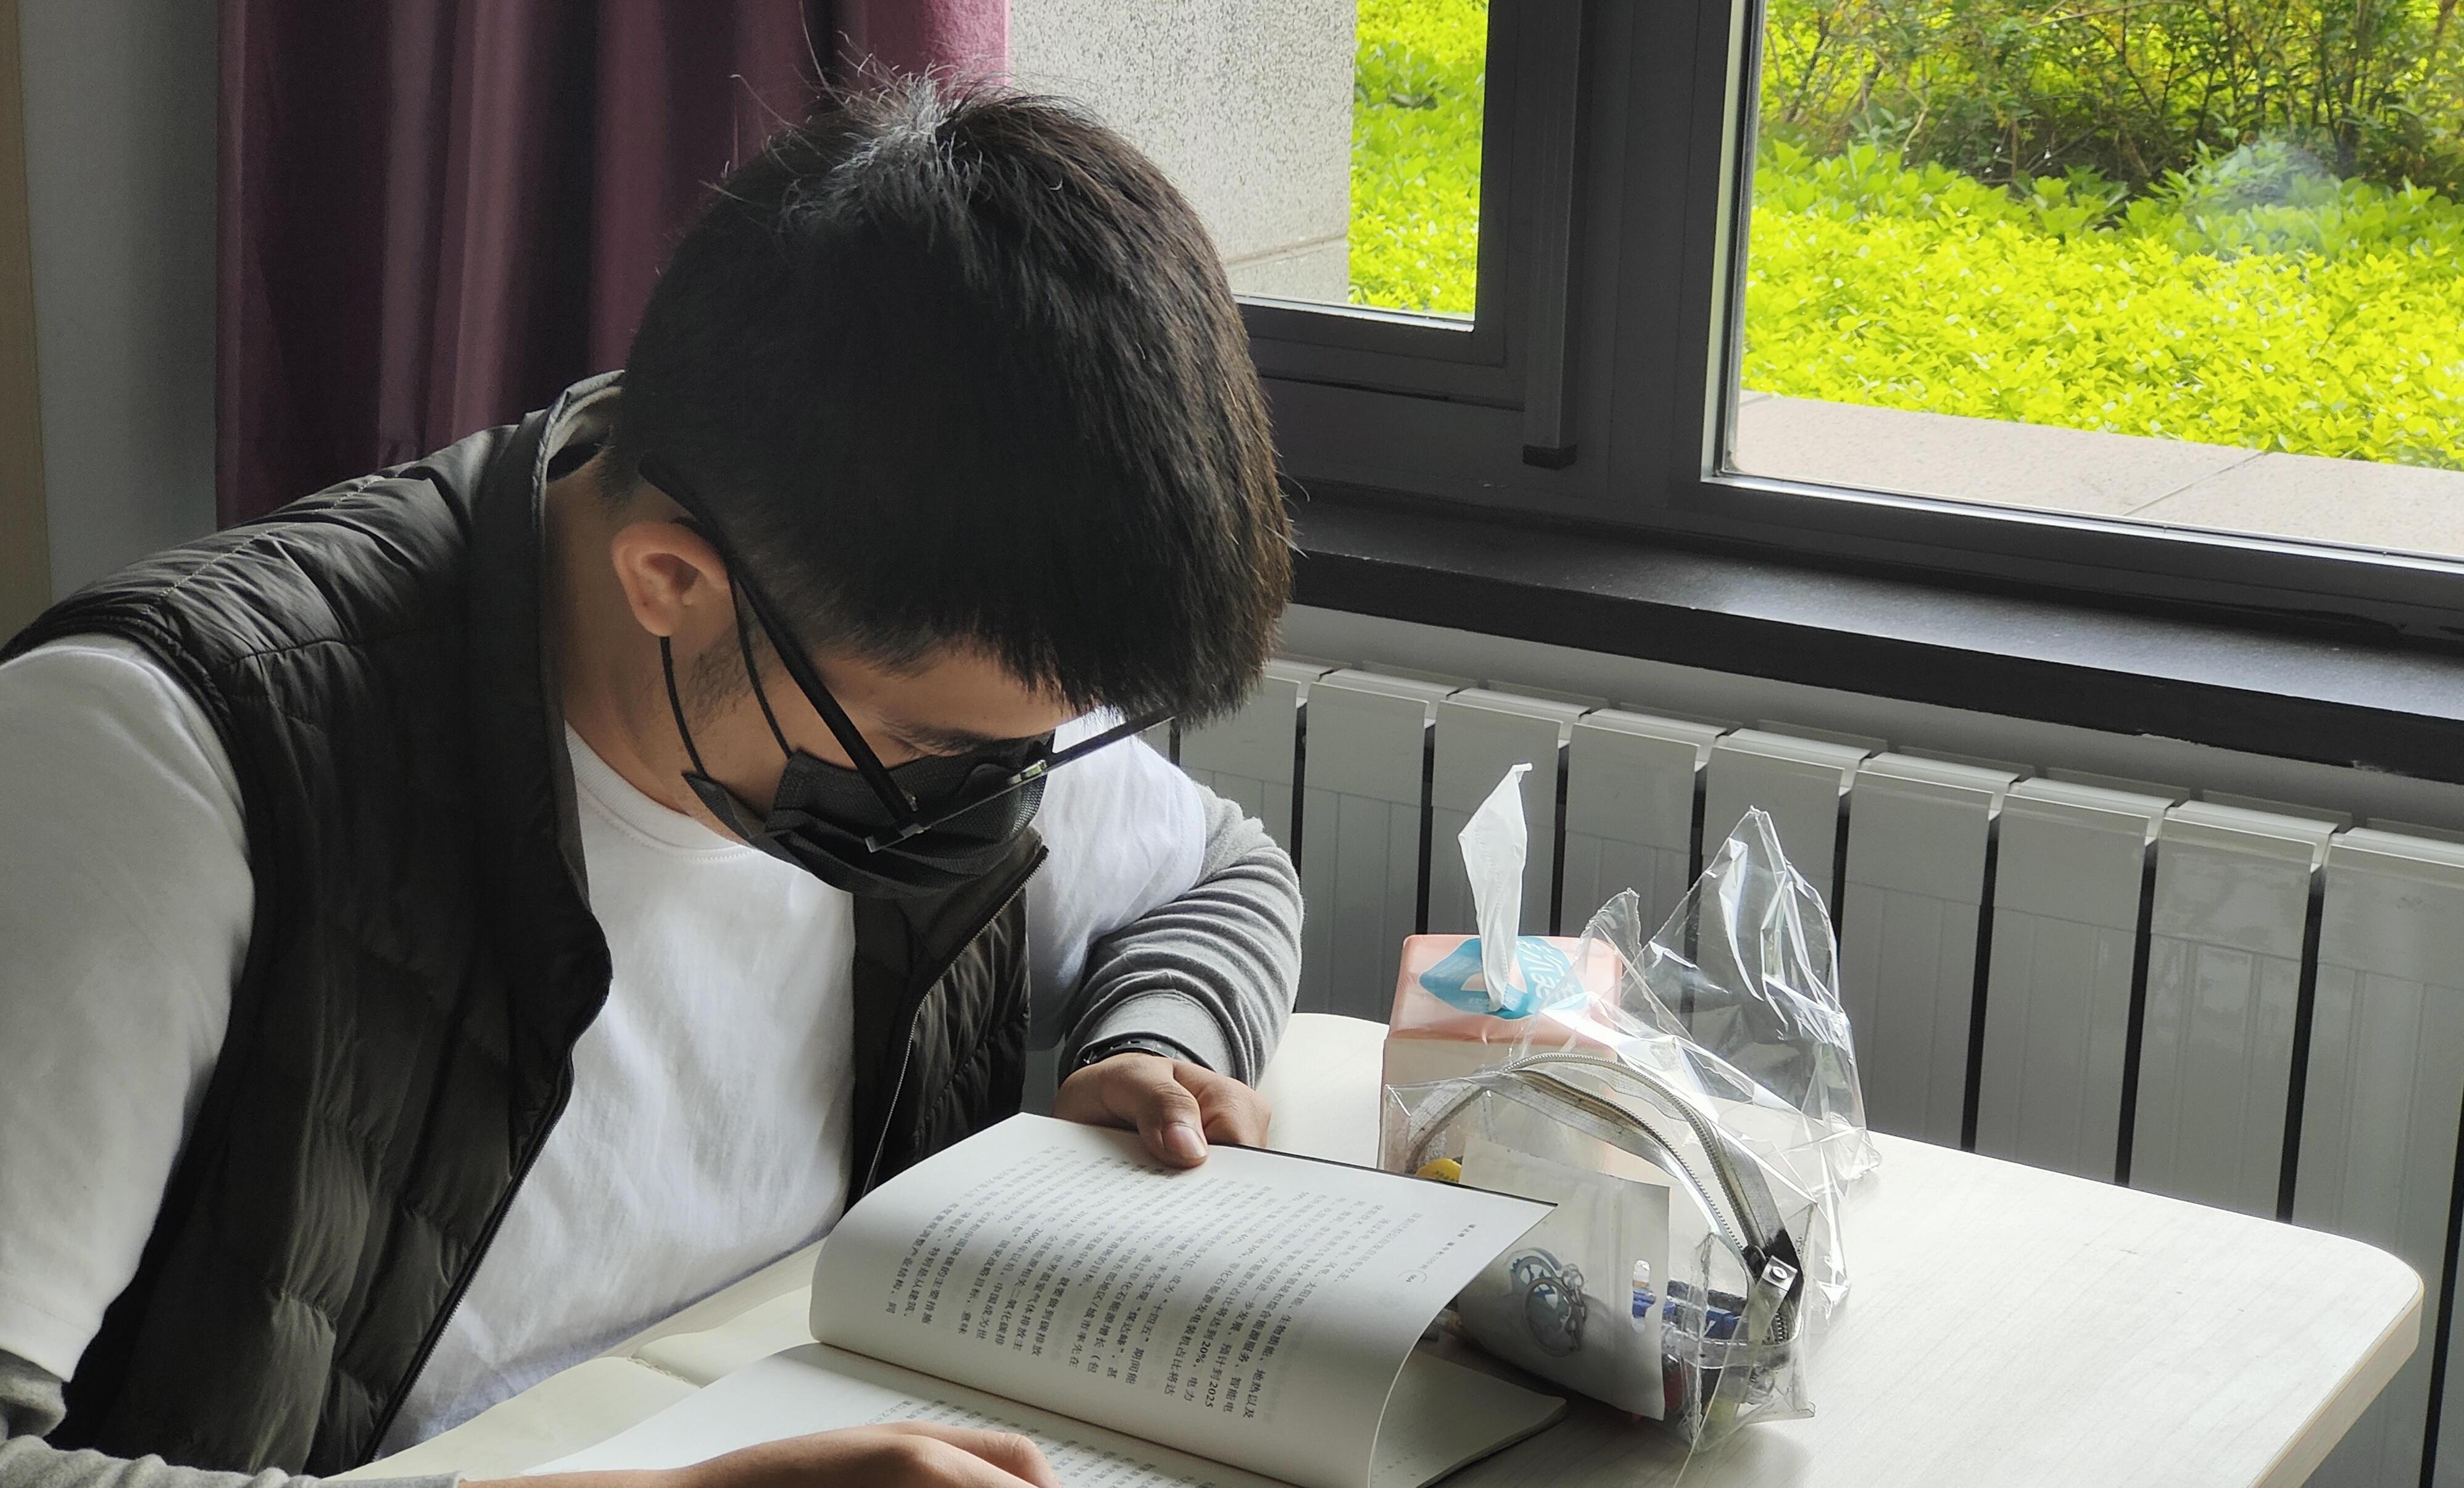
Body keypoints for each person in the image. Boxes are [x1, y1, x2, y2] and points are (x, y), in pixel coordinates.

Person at [0, 79, 1300, 1488]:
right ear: (669, 581)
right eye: (936, 747)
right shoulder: (153, 763)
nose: (996, 796)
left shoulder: (897, 652)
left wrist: (1154, 1046)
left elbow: (1226, 874)